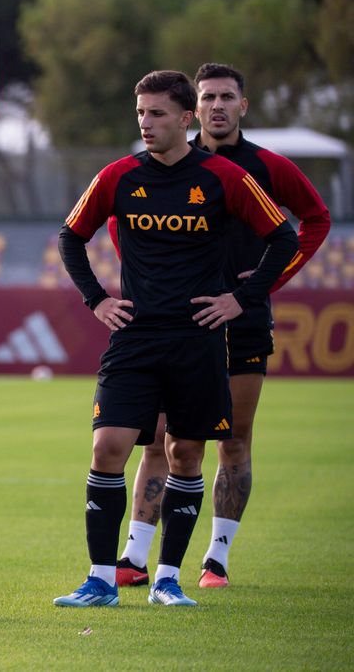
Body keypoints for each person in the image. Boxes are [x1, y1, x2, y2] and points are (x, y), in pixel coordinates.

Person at [54, 70, 298, 607]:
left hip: (198, 340)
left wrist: (243, 298)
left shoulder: (225, 177)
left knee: (186, 453)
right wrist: (97, 299)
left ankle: (167, 579)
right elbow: (70, 236)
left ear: (186, 119)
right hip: (134, 339)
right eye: (140, 112)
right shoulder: (118, 176)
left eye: (157, 113)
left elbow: (284, 237)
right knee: (107, 447)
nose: (146, 123)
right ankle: (100, 578)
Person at [112, 63, 331, 589]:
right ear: (193, 110)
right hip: (176, 321)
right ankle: (134, 558)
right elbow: (119, 221)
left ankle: (216, 559)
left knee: (232, 440)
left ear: (243, 106)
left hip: (242, 319)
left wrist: (271, 279)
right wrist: (145, 277)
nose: (217, 106)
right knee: (159, 437)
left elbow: (315, 219)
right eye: (208, 97)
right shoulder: (167, 164)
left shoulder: (269, 167)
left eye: (227, 97)